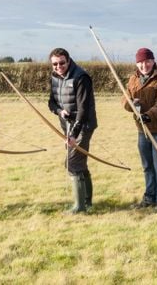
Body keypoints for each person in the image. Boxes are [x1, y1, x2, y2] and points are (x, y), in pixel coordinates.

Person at [123, 48, 157, 212]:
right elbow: (125, 99)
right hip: (141, 130)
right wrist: (131, 103)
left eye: (147, 61)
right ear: (137, 63)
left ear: (153, 61)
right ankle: (149, 197)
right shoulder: (133, 79)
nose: (144, 65)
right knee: (147, 166)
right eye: (140, 62)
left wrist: (148, 115)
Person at [48, 48, 97, 214]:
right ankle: (87, 201)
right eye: (55, 64)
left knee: (73, 163)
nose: (58, 66)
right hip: (67, 126)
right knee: (79, 162)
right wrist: (59, 111)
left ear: (68, 61)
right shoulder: (54, 77)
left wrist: (74, 134)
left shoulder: (81, 77)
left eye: (62, 63)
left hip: (83, 126)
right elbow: (51, 103)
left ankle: (80, 207)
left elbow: (83, 109)